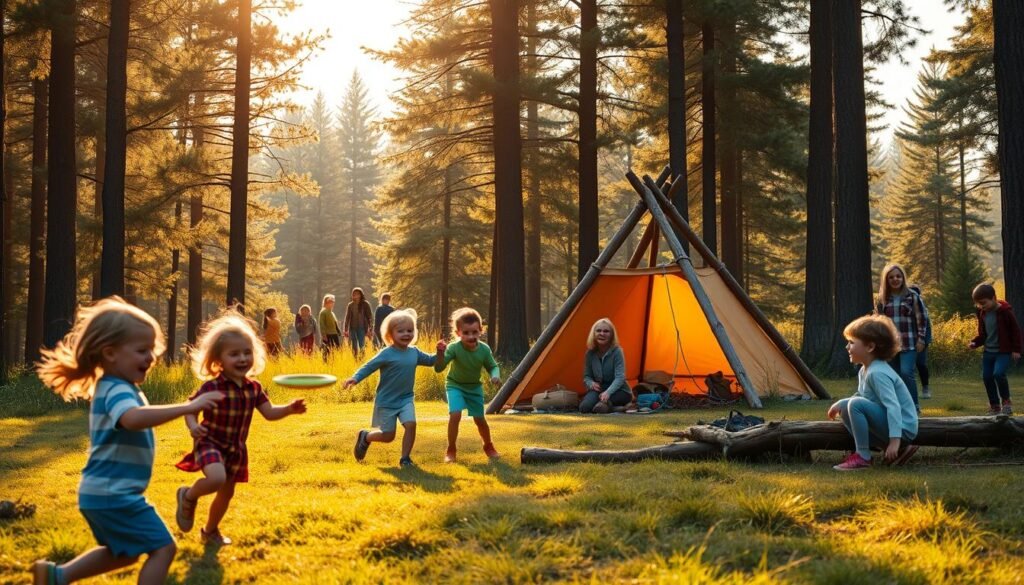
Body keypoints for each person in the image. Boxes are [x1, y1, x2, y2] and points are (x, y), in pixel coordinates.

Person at [31, 297, 224, 585]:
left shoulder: (116, 386)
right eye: (141, 350)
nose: (151, 358)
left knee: (126, 552)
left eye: (152, 350)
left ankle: (56, 576)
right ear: (110, 353)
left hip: (104, 494)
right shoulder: (116, 389)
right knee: (163, 548)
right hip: (113, 494)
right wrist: (188, 408)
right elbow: (132, 418)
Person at [174, 312, 307, 546]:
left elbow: (269, 413)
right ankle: (188, 495)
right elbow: (190, 408)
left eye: (247, 352)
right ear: (219, 360)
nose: (242, 358)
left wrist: (289, 409)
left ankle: (210, 531)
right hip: (210, 443)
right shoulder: (212, 387)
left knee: (226, 493)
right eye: (234, 354)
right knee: (216, 479)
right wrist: (193, 426)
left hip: (235, 448)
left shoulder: (254, 388)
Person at [343, 309, 445, 467]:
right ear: (390, 334)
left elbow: (432, 361)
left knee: (411, 424)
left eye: (410, 330)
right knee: (388, 436)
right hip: (386, 401)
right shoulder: (386, 353)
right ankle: (365, 437)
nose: (406, 334)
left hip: (406, 398)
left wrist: (440, 352)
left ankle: (405, 458)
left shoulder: (414, 352)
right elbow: (369, 367)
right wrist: (355, 378)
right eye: (401, 331)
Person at [828, 315, 919, 471]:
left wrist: (895, 441)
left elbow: (893, 406)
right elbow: (864, 396)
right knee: (847, 407)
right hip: (895, 427)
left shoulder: (878, 373)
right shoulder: (866, 369)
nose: (847, 347)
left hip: (903, 429)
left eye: (851, 342)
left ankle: (863, 457)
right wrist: (841, 403)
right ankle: (899, 451)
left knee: (855, 404)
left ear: (870, 347)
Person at [435, 308, 501, 463]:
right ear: (458, 333)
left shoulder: (484, 349)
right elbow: (439, 368)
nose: (471, 337)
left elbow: (492, 366)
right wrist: (439, 354)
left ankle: (488, 445)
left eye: (474, 332)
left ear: (480, 330)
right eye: (466, 333)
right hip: (455, 385)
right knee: (455, 414)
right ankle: (451, 449)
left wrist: (495, 376)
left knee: (480, 419)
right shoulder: (454, 348)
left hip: (474, 388)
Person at [874, 264, 928, 409]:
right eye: (891, 277)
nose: (895, 279)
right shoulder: (881, 298)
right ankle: (897, 406)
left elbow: (921, 319)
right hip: (890, 344)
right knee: (893, 376)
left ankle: (914, 406)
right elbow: (879, 322)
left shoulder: (913, 296)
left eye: (898, 276)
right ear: (886, 280)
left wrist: (921, 339)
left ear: (903, 277)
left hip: (909, 342)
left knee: (906, 372)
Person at [968, 283, 1022, 415]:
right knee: (987, 377)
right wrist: (975, 343)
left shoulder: (1005, 312)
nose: (981, 306)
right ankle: (995, 406)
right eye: (979, 304)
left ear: (993, 298)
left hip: (1002, 352)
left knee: (998, 374)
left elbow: (1015, 332)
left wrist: (1016, 349)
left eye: (983, 303)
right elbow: (983, 334)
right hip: (988, 352)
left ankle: (1006, 402)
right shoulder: (982, 313)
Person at [580, 318, 631, 414]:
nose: (602, 334)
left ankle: (608, 406)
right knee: (584, 407)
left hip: (619, 390)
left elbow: (620, 377)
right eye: (598, 330)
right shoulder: (590, 354)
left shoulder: (617, 351)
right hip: (599, 389)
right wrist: (591, 383)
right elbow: (587, 376)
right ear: (594, 334)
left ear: (611, 335)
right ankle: (616, 408)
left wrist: (608, 392)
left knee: (601, 406)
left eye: (606, 331)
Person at [907, 284, 933, 399]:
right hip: (908, 341)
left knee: (921, 364)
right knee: (908, 368)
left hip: (921, 342)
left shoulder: (923, 310)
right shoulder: (905, 308)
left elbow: (927, 328)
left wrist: (924, 342)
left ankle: (925, 388)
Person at [343, 287, 374, 356]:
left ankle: (362, 358)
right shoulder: (350, 305)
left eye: (357, 294)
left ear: (360, 295)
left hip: (362, 327)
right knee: (353, 344)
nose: (355, 295)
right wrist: (345, 329)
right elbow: (347, 317)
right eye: (354, 294)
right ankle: (355, 359)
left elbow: (370, 317)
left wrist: (371, 328)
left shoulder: (365, 304)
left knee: (361, 344)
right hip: (352, 328)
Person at [318, 294, 341, 360]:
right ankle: (326, 363)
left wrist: (338, 331)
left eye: (332, 302)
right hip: (328, 335)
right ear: (325, 302)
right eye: (330, 301)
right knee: (327, 350)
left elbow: (335, 323)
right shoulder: (323, 312)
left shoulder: (332, 313)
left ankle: (334, 362)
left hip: (334, 334)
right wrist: (323, 335)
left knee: (336, 349)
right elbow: (322, 324)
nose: (331, 303)